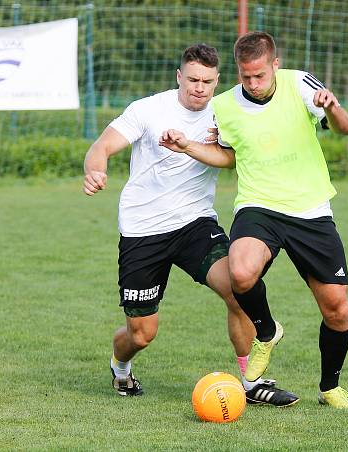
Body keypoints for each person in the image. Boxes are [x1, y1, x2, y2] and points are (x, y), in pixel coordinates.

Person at [82, 43, 298, 407]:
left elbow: (232, 158)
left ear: (217, 82)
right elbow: (101, 146)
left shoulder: (224, 112)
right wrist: (95, 169)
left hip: (195, 224)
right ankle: (120, 366)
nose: (199, 87)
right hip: (143, 230)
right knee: (142, 333)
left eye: (208, 81)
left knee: (239, 291)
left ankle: (251, 381)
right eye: (193, 79)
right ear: (179, 77)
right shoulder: (148, 109)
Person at [160, 32, 348, 408]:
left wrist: (331, 107)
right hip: (258, 206)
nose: (253, 83)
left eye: (260, 75)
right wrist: (188, 147)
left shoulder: (300, 84)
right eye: (246, 76)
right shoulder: (225, 106)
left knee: (337, 310)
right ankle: (267, 333)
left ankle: (330, 386)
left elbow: (345, 128)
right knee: (241, 271)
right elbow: (227, 156)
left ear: (275, 66)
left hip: (310, 210)